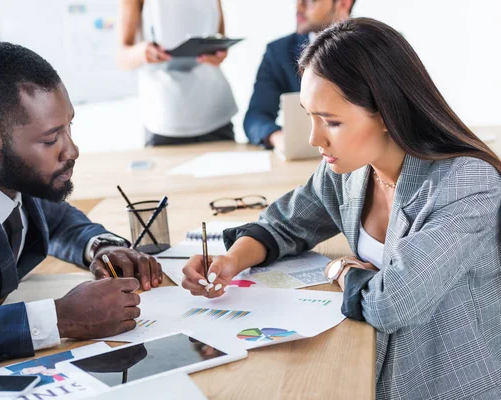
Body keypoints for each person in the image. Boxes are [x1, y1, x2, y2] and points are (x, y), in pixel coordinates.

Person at [182, 18, 501, 399]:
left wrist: (340, 267)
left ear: (385, 113)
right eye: (309, 116)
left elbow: (390, 303)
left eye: (331, 121)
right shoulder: (349, 169)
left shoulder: (465, 183)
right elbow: (284, 224)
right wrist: (232, 261)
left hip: (444, 384)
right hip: (371, 367)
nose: (316, 138)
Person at [0, 42, 163, 380]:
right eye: (51, 139)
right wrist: (59, 319)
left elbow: (57, 219)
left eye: (69, 126)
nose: (73, 150)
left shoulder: (12, 171)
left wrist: (102, 247)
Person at [118, 0, 237, 146]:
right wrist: (143, 52)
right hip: (166, 117)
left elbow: (219, 40)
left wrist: (219, 53)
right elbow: (121, 57)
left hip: (216, 111)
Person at [244, 0, 355, 150]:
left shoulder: (379, 47)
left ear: (343, 3)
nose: (298, 7)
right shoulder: (279, 52)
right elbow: (255, 117)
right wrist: (279, 139)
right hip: (310, 158)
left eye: (309, 1)